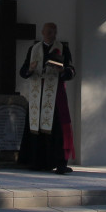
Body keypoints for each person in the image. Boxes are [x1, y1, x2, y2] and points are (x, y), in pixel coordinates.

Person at [18, 22, 76, 174]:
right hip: (38, 94)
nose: (51, 33)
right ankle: (37, 162)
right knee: (36, 127)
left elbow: (71, 70)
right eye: (48, 31)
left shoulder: (63, 48)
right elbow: (23, 71)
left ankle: (59, 163)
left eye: (54, 31)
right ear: (42, 32)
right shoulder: (33, 49)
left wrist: (63, 69)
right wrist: (30, 69)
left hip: (54, 94)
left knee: (56, 127)